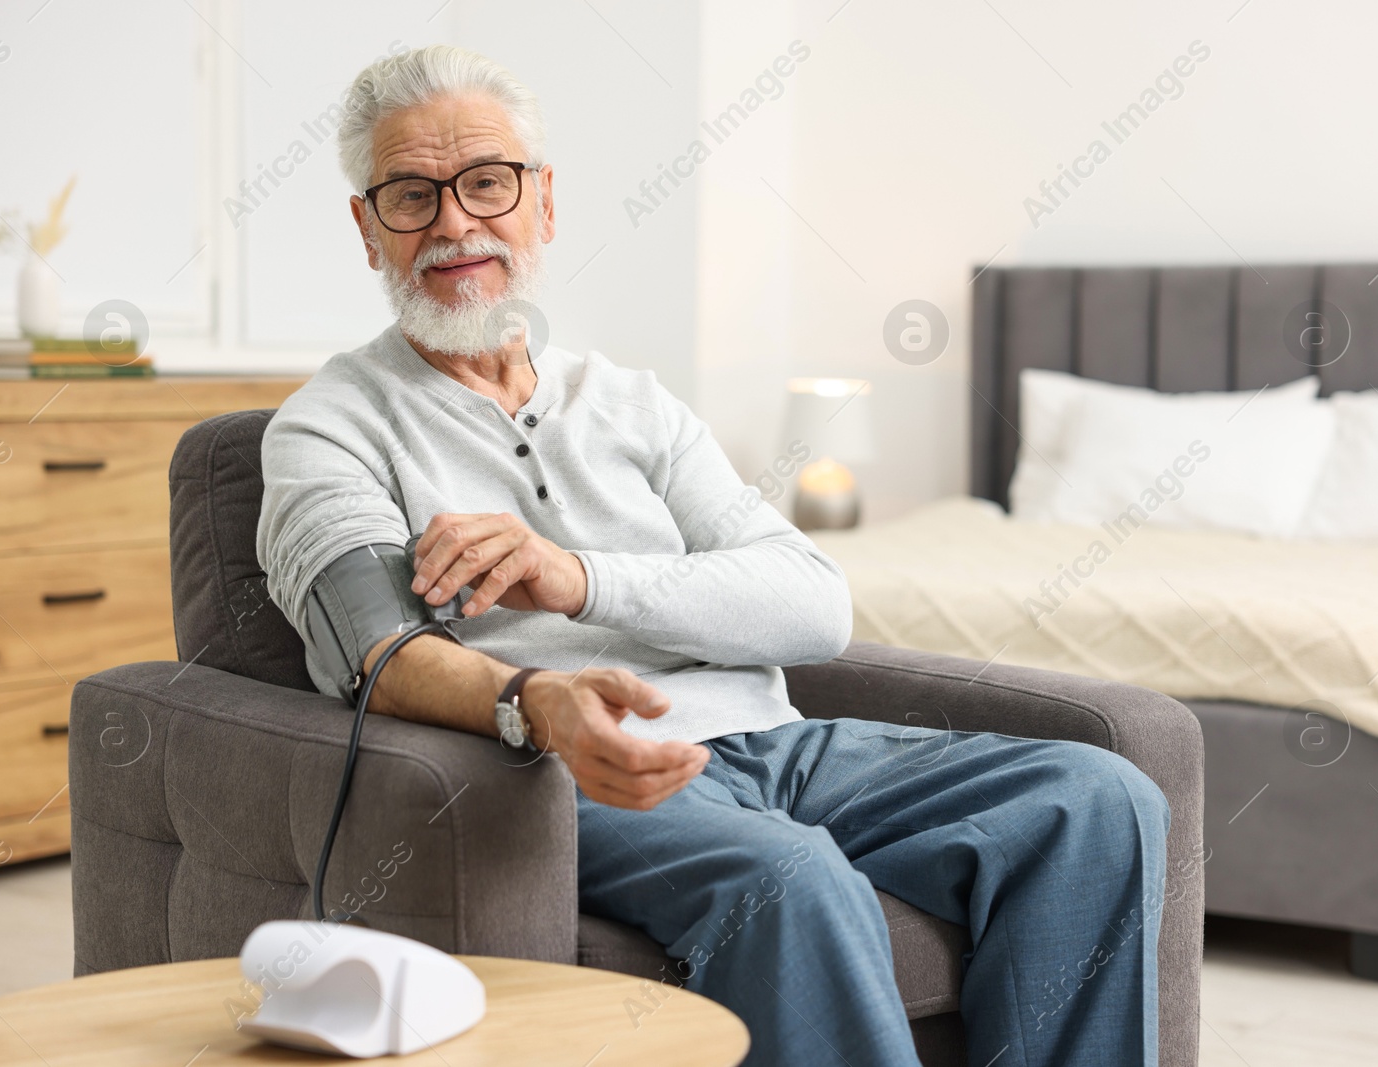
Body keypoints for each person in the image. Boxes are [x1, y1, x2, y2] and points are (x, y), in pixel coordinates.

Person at [257, 43, 1170, 1067]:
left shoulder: (634, 403)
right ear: (367, 227)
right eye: (411, 195)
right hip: (577, 775)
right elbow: (372, 650)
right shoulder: (327, 428)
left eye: (486, 182)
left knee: (1097, 797)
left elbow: (811, 604)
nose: (455, 222)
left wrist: (577, 574)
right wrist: (536, 701)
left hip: (777, 744)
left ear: (543, 202)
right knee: (792, 879)